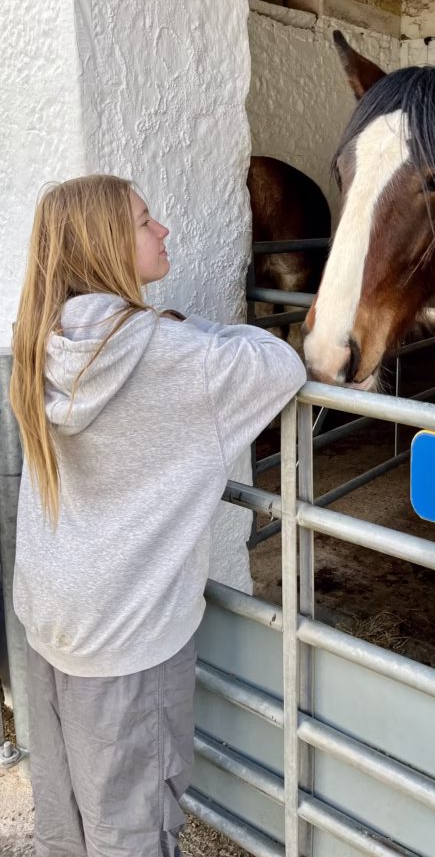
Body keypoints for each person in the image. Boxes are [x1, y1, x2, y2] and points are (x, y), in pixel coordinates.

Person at [9, 174, 307, 856]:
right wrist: (165, 325)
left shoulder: (39, 339)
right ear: (109, 244)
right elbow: (280, 363)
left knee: (69, 820)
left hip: (51, 618)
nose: (163, 231)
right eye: (146, 222)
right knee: (134, 825)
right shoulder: (174, 358)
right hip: (127, 636)